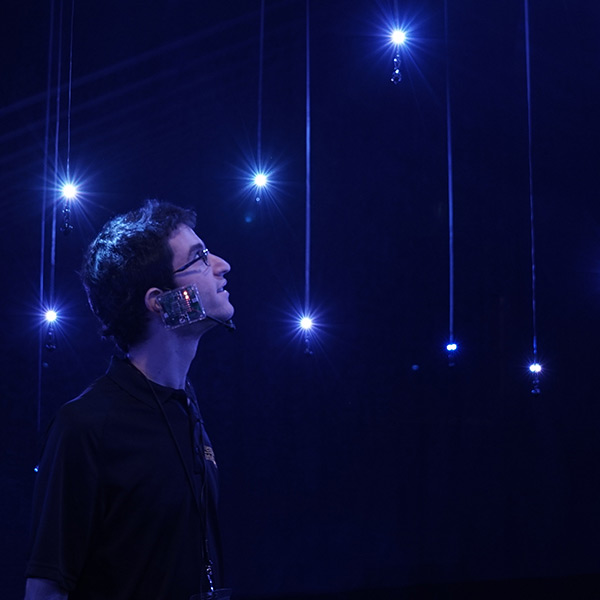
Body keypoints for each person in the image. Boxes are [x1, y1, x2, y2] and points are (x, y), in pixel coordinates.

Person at [24, 200, 235, 600]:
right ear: (159, 301)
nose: (221, 265)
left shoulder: (186, 408)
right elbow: (45, 589)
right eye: (200, 259)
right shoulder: (85, 426)